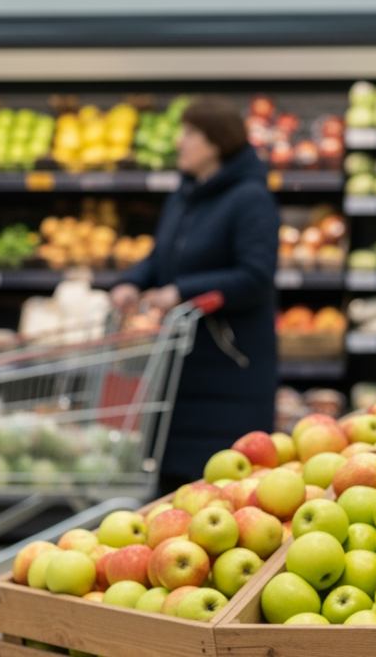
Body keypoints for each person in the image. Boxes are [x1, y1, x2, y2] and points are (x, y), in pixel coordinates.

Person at [110, 97, 278, 492]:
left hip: (230, 370)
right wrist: (131, 281)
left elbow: (255, 276)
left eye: (189, 134)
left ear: (215, 143)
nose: (178, 142)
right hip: (179, 366)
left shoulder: (250, 199)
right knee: (170, 484)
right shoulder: (184, 195)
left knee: (224, 486)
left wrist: (181, 291)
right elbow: (161, 258)